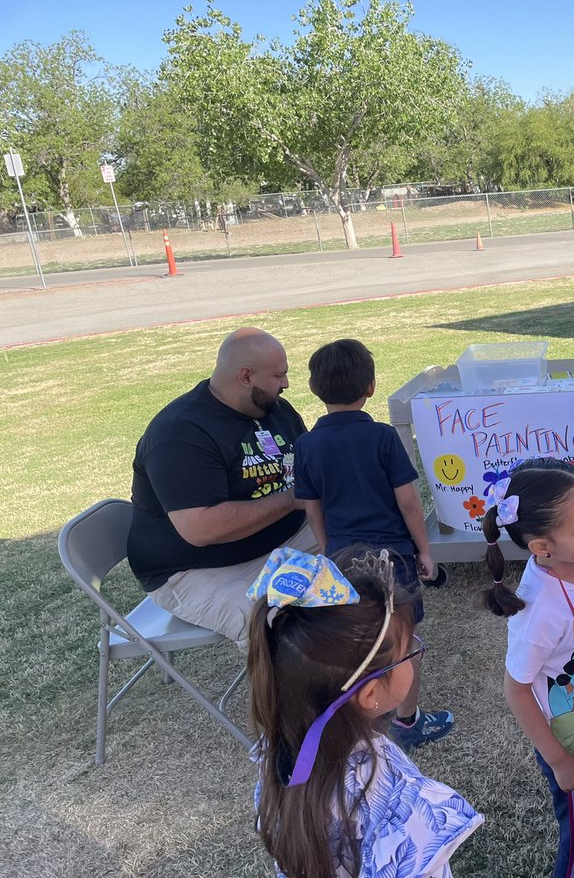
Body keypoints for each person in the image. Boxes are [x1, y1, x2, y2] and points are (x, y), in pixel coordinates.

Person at [247, 546, 482, 878]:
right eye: (408, 650)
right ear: (370, 693)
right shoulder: (397, 796)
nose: (415, 653)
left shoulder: (281, 759)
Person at [294, 338, 454, 751]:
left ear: (315, 389)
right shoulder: (382, 438)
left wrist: (330, 549)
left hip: (342, 559)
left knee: (353, 641)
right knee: (403, 641)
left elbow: (313, 510)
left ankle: (357, 719)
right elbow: (408, 502)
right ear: (371, 387)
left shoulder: (307, 445)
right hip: (393, 560)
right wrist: (424, 551)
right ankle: (407, 721)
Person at [480, 458, 574, 878]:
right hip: (572, 742)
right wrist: (559, 760)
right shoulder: (539, 609)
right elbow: (516, 689)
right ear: (543, 547)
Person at [128, 327, 316, 647]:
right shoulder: (180, 433)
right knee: (275, 627)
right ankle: (311, 695)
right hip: (197, 570)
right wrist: (290, 500)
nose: (286, 384)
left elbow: (308, 470)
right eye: (278, 376)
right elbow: (202, 529)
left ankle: (369, 677)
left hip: (286, 540)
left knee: (365, 551)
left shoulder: (275, 410)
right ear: (246, 376)